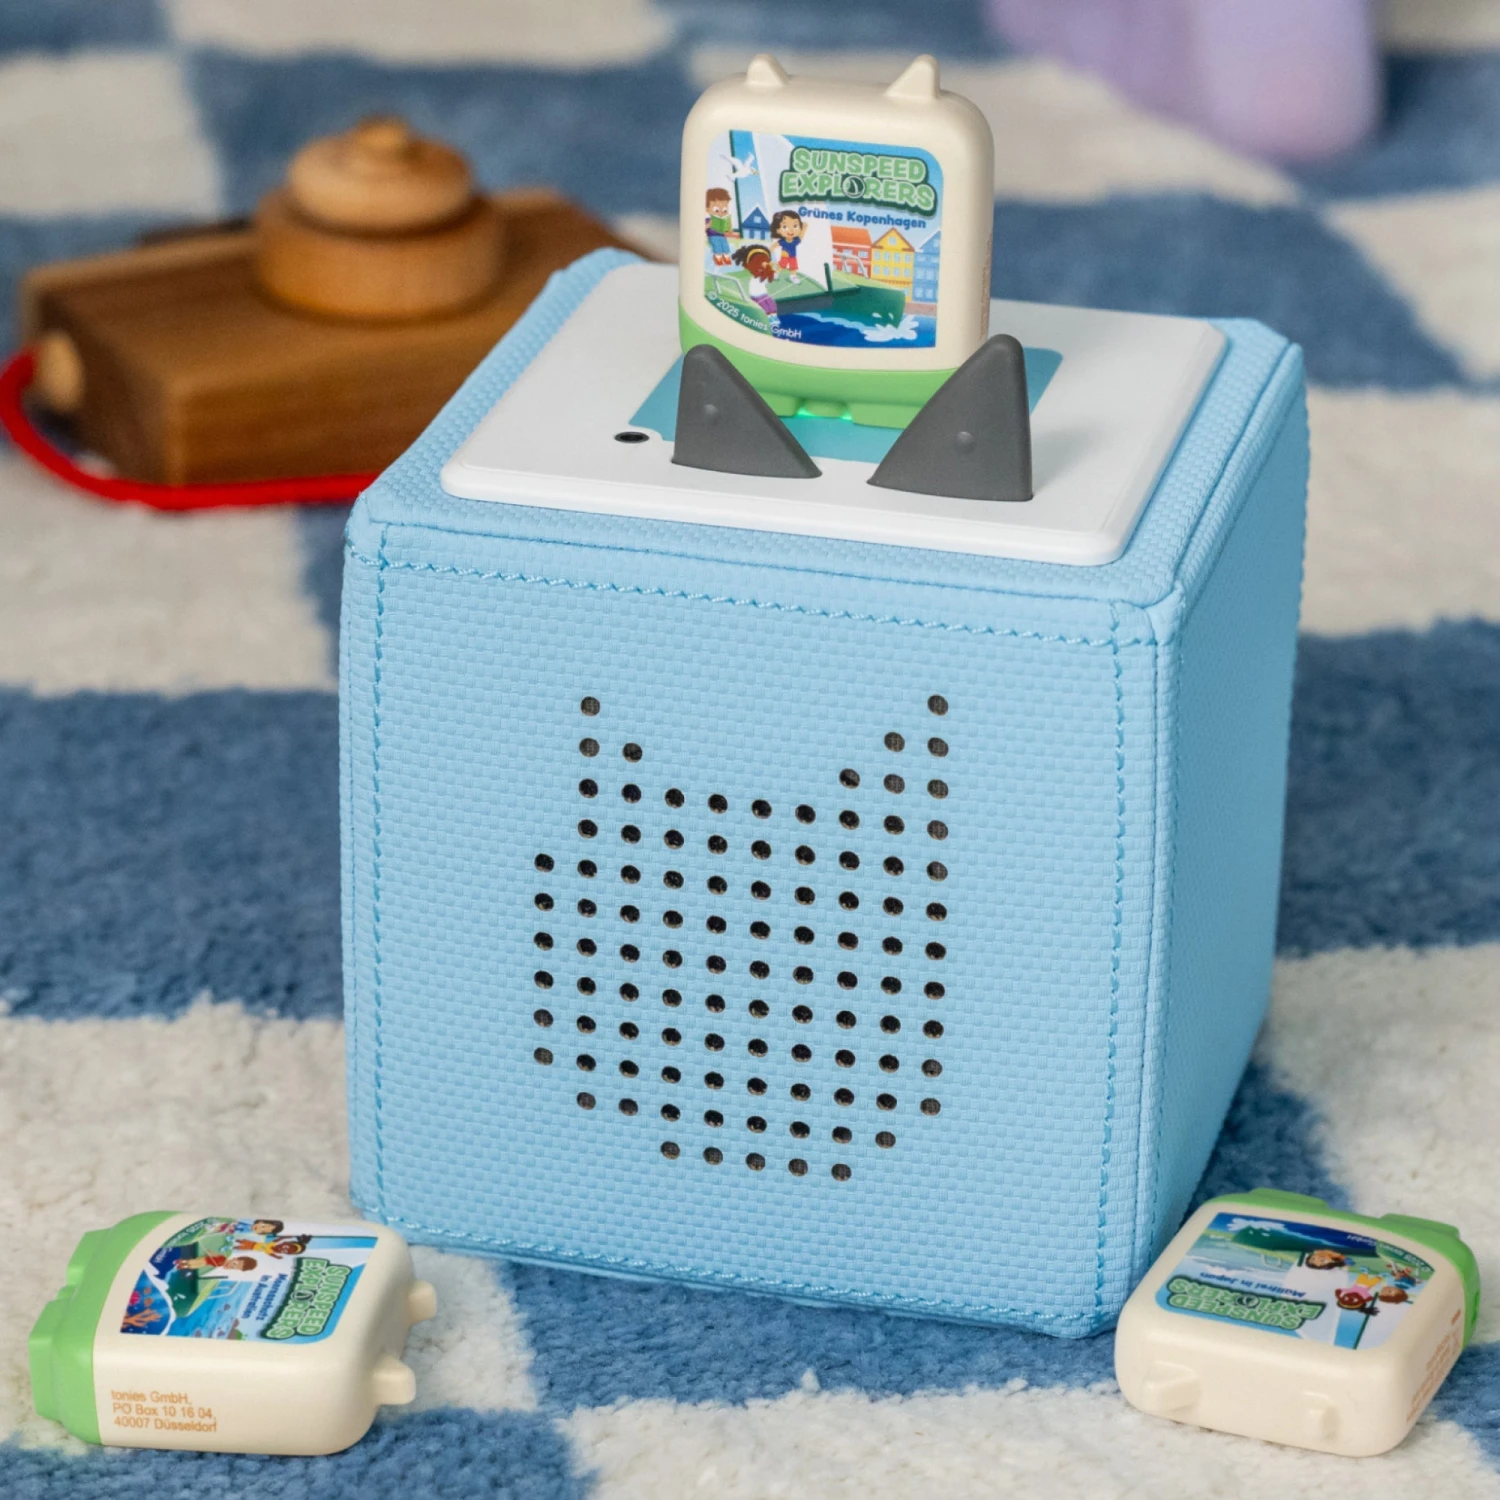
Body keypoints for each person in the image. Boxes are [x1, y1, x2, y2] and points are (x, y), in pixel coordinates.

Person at [705, 189, 734, 266]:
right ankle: (718, 257)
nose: (721, 213)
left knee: (725, 246)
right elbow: (703, 228)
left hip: (722, 236)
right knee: (717, 245)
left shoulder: (724, 220)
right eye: (716, 210)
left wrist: (729, 226)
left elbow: (729, 231)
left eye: (724, 210)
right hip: (713, 236)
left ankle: (726, 257)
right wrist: (708, 225)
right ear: (707, 209)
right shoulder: (708, 220)